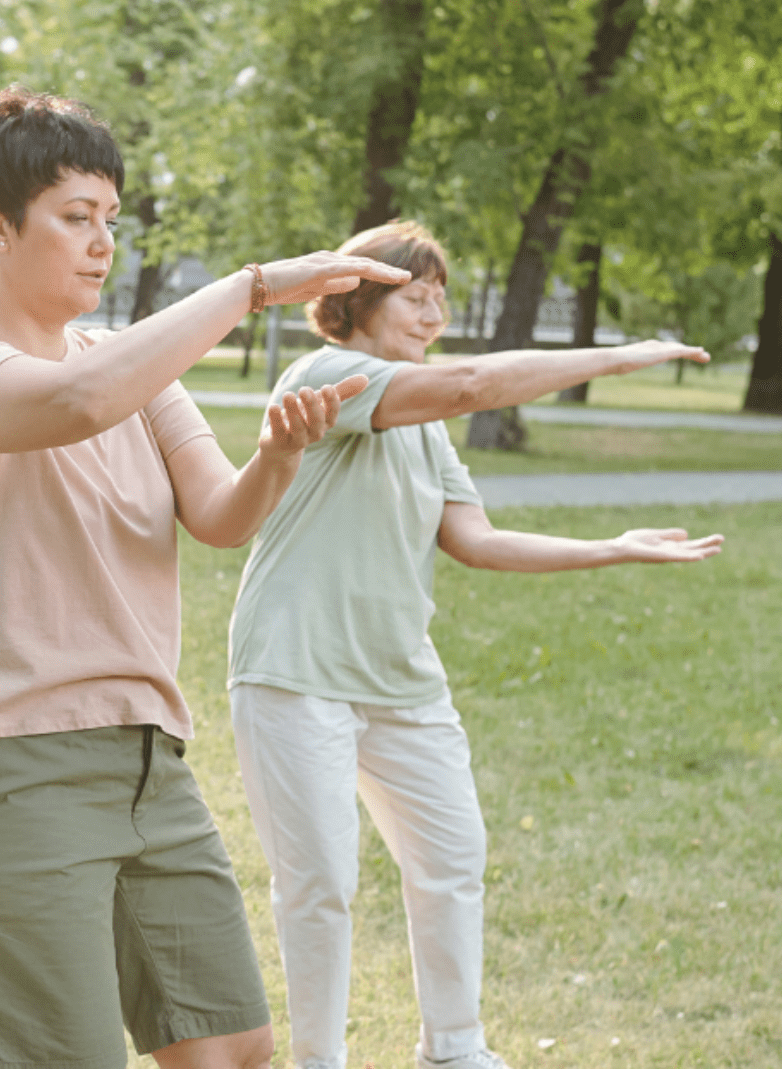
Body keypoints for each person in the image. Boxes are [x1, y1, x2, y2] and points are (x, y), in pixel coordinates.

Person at [0, 87, 414, 1069]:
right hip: (10, 767)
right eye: (76, 219)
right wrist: (252, 286)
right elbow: (80, 402)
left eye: (112, 221)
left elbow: (218, 516)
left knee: (233, 1051)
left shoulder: (134, 369)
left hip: (149, 761)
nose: (102, 244)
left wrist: (277, 458)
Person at [225, 220, 723, 1069]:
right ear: (354, 301)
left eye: (439, 298)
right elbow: (474, 383)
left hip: (399, 682)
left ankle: (454, 1050)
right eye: (414, 296)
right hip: (295, 668)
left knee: (453, 858)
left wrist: (614, 547)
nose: (434, 312)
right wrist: (611, 357)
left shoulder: (426, 425)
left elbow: (477, 539)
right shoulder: (329, 376)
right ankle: (319, 1061)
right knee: (320, 886)